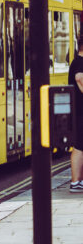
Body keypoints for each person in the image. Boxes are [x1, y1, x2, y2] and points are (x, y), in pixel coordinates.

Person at [67, 37, 83, 193]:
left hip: (79, 111)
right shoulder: (79, 62)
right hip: (80, 112)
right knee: (79, 146)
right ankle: (75, 182)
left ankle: (79, 180)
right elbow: (79, 78)